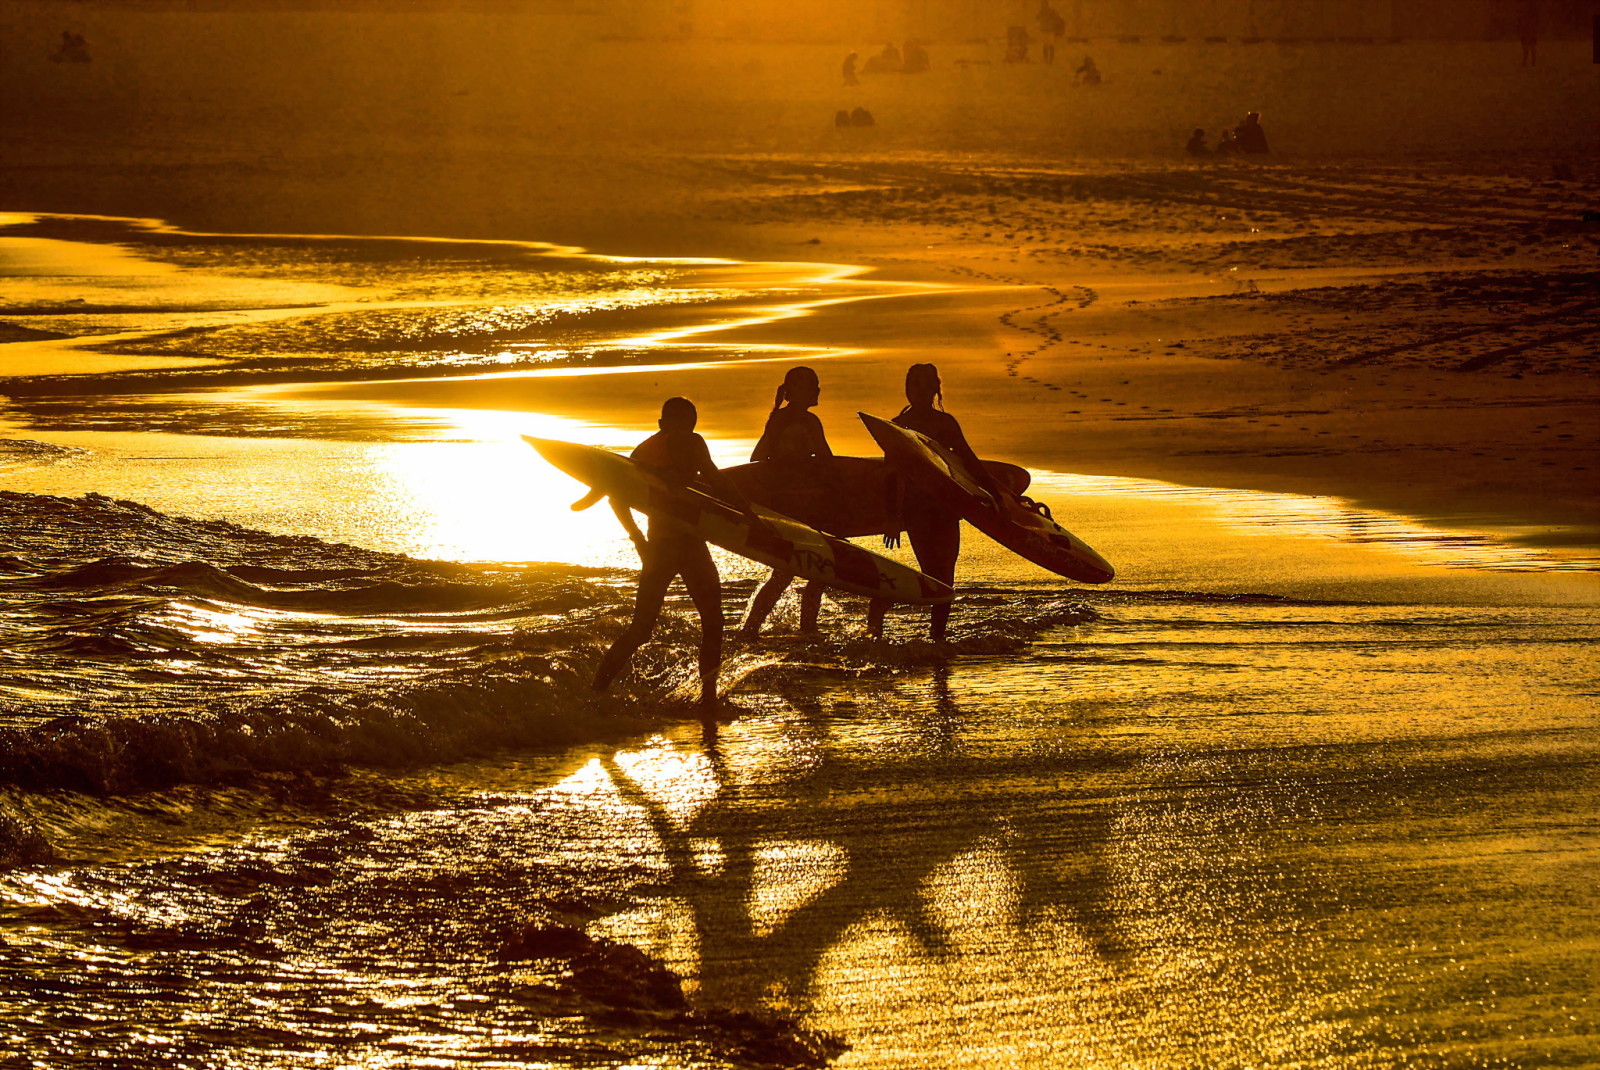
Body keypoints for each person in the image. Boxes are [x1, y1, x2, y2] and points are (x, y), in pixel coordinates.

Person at [592, 397, 751, 709]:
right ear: (664, 425)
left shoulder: (644, 450)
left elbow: (615, 496)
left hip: (660, 547)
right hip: (686, 544)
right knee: (713, 622)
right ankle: (708, 700)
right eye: (681, 424)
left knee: (640, 629)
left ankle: (595, 693)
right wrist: (751, 518)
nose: (684, 431)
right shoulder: (692, 443)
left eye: (688, 425)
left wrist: (639, 540)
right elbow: (717, 480)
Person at [866, 364, 1003, 644]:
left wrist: (996, 494)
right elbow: (891, 474)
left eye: (919, 384)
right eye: (910, 384)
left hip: (947, 507)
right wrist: (892, 516)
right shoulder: (897, 427)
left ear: (933, 389)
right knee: (932, 576)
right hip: (917, 510)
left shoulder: (945, 423)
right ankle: (880, 605)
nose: (913, 390)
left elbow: (967, 461)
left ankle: (936, 638)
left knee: (945, 579)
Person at [739, 366, 833, 639]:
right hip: (796, 507)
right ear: (793, 390)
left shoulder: (792, 419)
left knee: (798, 572)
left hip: (800, 506)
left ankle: (760, 629)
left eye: (817, 385)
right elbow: (760, 458)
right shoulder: (797, 420)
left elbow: (759, 458)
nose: (817, 390)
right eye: (812, 385)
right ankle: (796, 630)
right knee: (798, 572)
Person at [1037, 0, 1066, 64]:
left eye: (1043, 4)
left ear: (1046, 4)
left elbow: (1057, 18)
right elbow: (1037, 18)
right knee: (1045, 46)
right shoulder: (1042, 11)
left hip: (1050, 31)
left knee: (1050, 45)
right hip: (1044, 31)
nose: (1042, 6)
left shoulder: (1051, 11)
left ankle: (1050, 61)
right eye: (1042, 4)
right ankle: (1046, 60)